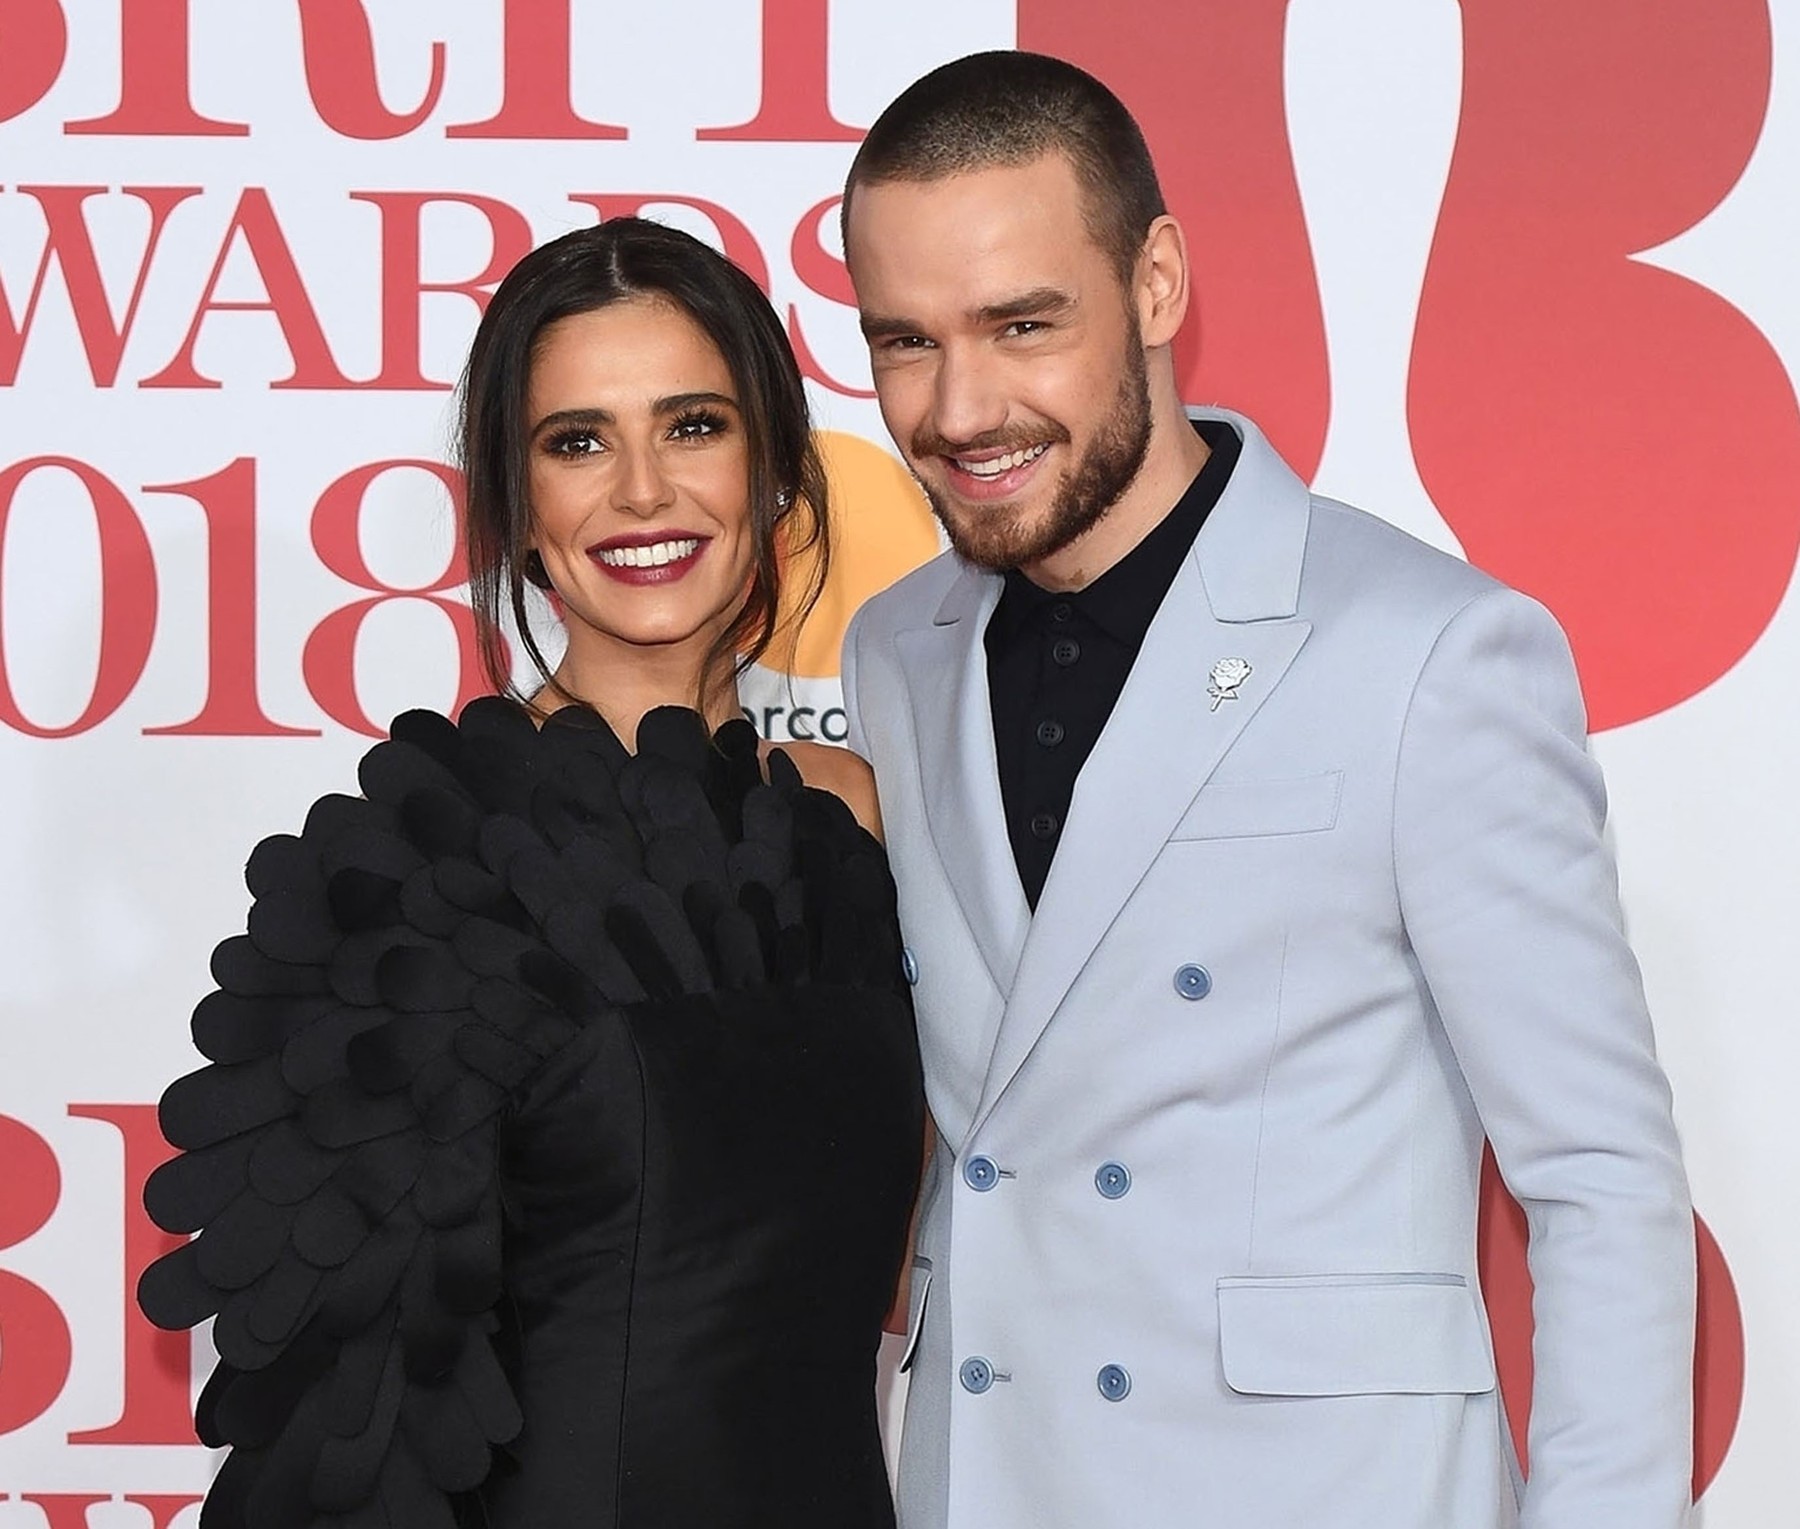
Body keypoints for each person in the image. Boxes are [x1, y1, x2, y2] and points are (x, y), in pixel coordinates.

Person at [838, 50, 1694, 1529]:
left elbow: (1600, 1177)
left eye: (1023, 324)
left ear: (1156, 283)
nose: (962, 407)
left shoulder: (1429, 652)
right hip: (991, 1485)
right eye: (905, 341)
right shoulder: (893, 649)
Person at [137, 217, 924, 1529]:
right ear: (516, 506)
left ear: (780, 466)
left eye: (693, 426)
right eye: (578, 442)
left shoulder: (860, 819)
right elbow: (353, 1426)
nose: (642, 493)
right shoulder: (424, 874)